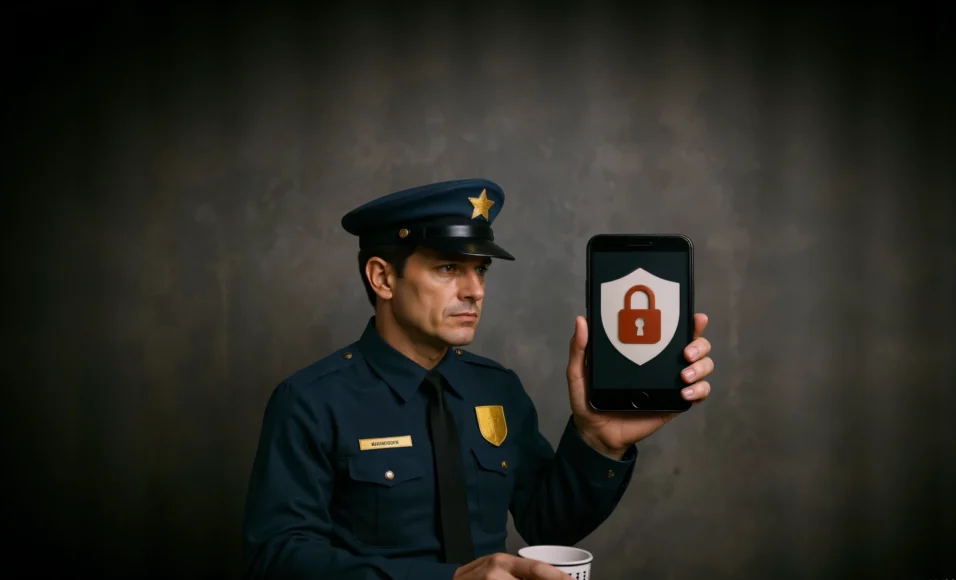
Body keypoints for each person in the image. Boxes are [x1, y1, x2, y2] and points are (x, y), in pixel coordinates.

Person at [241, 179, 715, 580]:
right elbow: (277, 557)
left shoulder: (496, 388)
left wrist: (599, 443)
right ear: (383, 278)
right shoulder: (311, 400)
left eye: (480, 269)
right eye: (448, 268)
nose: (474, 291)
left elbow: (546, 525)